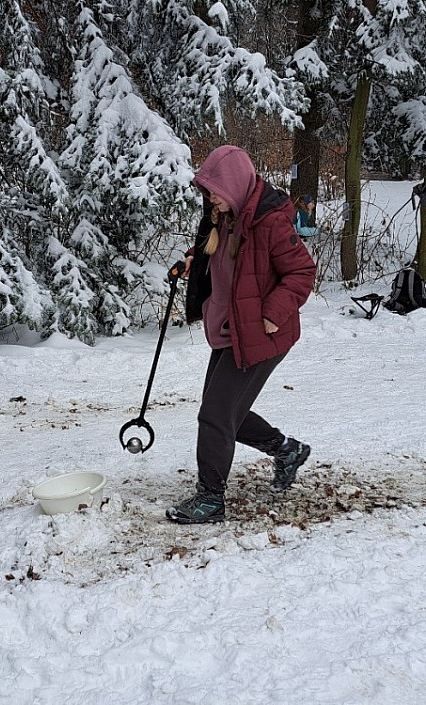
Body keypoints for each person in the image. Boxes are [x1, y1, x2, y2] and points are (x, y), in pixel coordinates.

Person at [166, 145, 318, 525]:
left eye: (214, 188)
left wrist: (271, 314)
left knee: (216, 414)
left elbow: (302, 273)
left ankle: (211, 498)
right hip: (228, 327)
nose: (209, 197)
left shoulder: (269, 221)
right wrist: (192, 260)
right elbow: (216, 254)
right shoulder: (224, 215)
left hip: (260, 333)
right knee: (223, 410)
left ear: (234, 184)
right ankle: (286, 450)